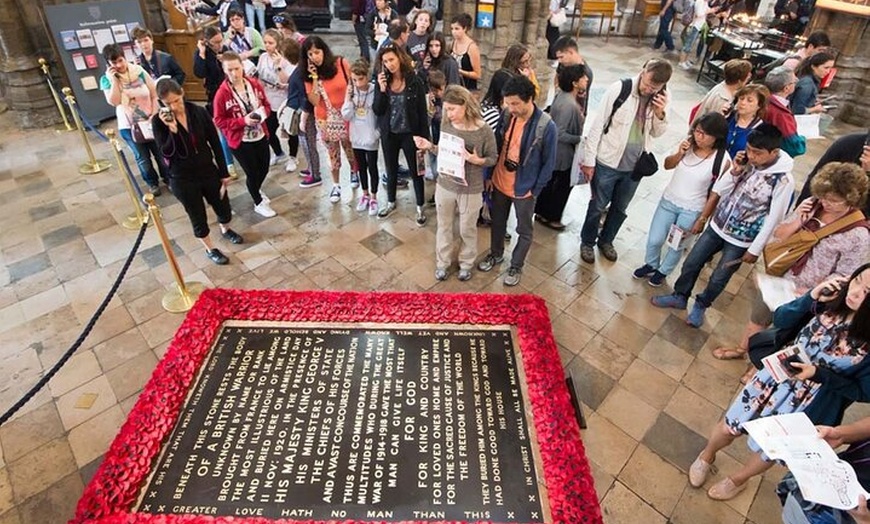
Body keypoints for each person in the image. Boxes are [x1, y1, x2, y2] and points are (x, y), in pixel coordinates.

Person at [686, 267, 870, 502]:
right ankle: (706, 456)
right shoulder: (831, 299)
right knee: (730, 424)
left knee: (770, 451)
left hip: (811, 401)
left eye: (866, 291)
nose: (854, 292)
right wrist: (811, 296)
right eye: (857, 281)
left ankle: (738, 481)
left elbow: (863, 391)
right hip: (775, 377)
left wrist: (819, 374)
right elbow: (781, 318)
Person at [711, 162, 869, 363]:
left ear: (851, 199)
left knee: (782, 332)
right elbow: (779, 234)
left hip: (810, 293)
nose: (826, 203)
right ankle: (743, 349)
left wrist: (811, 293)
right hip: (781, 278)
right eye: (824, 196)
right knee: (759, 316)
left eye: (833, 200)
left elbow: (846, 275)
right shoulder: (814, 204)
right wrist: (799, 221)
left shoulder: (858, 234)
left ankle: (758, 365)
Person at [651, 124, 795, 328]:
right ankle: (680, 295)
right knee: (692, 262)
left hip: (742, 238)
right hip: (718, 225)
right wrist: (735, 172)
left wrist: (754, 249)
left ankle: (702, 304)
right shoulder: (747, 162)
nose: (752, 156)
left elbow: (774, 218)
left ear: (774, 152)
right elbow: (720, 189)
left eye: (758, 153)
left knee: (719, 276)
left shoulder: (782, 180)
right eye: (750, 150)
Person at [579, 59, 672, 263]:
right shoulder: (620, 89)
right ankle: (587, 242)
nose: (647, 89)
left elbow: (657, 133)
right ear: (643, 71)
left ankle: (607, 240)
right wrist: (589, 160)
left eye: (653, 87)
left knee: (620, 208)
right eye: (646, 83)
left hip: (635, 166)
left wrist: (659, 113)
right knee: (597, 206)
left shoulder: (662, 98)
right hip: (607, 161)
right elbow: (597, 125)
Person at [152, 79, 244, 265]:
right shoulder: (158, 122)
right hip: (182, 177)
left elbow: (215, 143)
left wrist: (224, 172)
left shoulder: (198, 112)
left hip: (207, 170)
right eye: (168, 103)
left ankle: (225, 229)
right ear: (161, 102)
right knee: (197, 214)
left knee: (223, 206)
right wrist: (172, 130)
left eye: (177, 100)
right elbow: (165, 152)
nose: (174, 106)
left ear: (182, 94)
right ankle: (210, 248)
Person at [477, 76, 557, 287]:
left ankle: (516, 265)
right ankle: (496, 254)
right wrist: (489, 175)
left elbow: (549, 164)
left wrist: (535, 189)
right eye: (508, 103)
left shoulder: (546, 127)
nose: (510, 107)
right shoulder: (507, 115)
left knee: (524, 229)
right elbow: (496, 145)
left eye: (515, 103)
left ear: (529, 99)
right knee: (498, 222)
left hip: (525, 188)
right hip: (500, 180)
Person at [634, 112, 731, 287]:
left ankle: (663, 271)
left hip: (692, 208)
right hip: (669, 200)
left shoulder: (722, 159)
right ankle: (651, 264)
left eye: (705, 134)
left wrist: (702, 218)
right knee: (655, 238)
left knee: (676, 244)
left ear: (716, 137)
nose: (699, 136)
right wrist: (680, 153)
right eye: (697, 131)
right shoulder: (687, 145)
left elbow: (716, 194)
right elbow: (667, 165)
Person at [414, 85, 497, 281]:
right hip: (446, 184)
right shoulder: (447, 123)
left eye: (452, 109)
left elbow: (493, 157)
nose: (448, 114)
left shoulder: (483, 130)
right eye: (446, 109)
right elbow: (444, 151)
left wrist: (478, 161)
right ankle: (442, 262)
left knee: (466, 228)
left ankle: (466, 263)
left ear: (465, 105)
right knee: (444, 226)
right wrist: (430, 147)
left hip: (471, 188)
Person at [212, 51, 275, 218]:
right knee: (252, 172)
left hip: (260, 134)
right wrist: (242, 121)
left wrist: (262, 114)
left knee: (264, 167)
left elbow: (267, 105)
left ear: (242, 67)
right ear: (224, 70)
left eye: (237, 69)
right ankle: (258, 201)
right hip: (240, 140)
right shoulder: (222, 94)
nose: (234, 73)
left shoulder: (254, 84)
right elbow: (219, 120)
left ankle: (256, 189)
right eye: (230, 70)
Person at [99, 43, 168, 195]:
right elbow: (114, 101)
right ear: (108, 64)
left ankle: (168, 178)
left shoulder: (139, 71)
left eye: (120, 60)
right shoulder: (106, 80)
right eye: (114, 63)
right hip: (129, 124)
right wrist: (115, 81)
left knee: (160, 152)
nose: (119, 65)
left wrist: (153, 114)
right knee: (142, 157)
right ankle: (152, 183)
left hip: (150, 118)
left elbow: (153, 93)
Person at [373, 44, 430, 222]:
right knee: (391, 169)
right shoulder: (382, 81)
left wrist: (424, 139)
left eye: (391, 59)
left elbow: (422, 111)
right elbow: (377, 109)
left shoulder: (414, 80)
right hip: (390, 133)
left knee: (416, 171)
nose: (389, 64)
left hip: (410, 133)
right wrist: (382, 90)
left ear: (399, 58)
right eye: (385, 61)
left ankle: (420, 206)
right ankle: (390, 201)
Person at [301, 36, 358, 203]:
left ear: (324, 51)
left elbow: (352, 85)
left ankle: (355, 172)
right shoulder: (309, 75)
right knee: (332, 152)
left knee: (350, 148)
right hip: (324, 118)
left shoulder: (340, 63)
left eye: (317, 52)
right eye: (310, 54)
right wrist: (315, 78)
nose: (314, 57)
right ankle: (336, 184)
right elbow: (313, 101)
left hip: (345, 114)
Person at [534, 64, 587, 230]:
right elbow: (560, 132)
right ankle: (551, 216)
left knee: (551, 183)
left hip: (558, 152)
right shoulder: (569, 105)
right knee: (561, 187)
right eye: (583, 77)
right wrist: (580, 139)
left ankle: (542, 212)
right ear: (575, 83)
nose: (586, 80)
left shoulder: (562, 96)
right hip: (563, 153)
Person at [193, 25, 237, 178]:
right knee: (223, 130)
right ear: (206, 42)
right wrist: (203, 53)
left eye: (220, 41)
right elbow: (200, 72)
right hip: (215, 95)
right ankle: (228, 162)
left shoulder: (224, 50)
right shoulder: (202, 54)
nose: (219, 45)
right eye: (215, 42)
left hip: (231, 92)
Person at [341, 58, 381, 217]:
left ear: (367, 76)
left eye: (361, 79)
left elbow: (380, 111)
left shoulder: (374, 90)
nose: (358, 83)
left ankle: (374, 197)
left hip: (371, 137)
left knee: (373, 168)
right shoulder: (351, 91)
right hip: (356, 137)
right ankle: (364, 194)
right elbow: (346, 115)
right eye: (354, 80)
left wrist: (376, 133)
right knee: (361, 168)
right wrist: (348, 98)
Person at [798, 131, 870, 215]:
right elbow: (814, 180)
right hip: (818, 215)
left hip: (856, 221)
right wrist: (801, 213)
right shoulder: (848, 143)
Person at [256, 28, 292, 166]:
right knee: (269, 130)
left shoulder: (285, 59)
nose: (267, 45)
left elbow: (286, 81)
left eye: (270, 42)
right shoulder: (262, 57)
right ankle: (278, 153)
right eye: (265, 42)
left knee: (288, 130)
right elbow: (259, 76)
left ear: (278, 43)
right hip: (268, 98)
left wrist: (278, 66)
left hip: (282, 99)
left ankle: (293, 157)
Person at [691, 58, 752, 124]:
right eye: (747, 79)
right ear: (739, 81)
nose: (749, 77)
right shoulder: (723, 100)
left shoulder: (722, 86)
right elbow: (715, 125)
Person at [762, 65, 806, 158]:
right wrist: (803, 138)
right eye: (794, 82)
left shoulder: (761, 100)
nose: (796, 82)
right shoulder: (781, 114)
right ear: (786, 88)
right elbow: (796, 147)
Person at [551, 36, 594, 114]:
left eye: (561, 57)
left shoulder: (584, 74)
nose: (559, 61)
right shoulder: (563, 64)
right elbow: (557, 77)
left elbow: (581, 101)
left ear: (571, 52)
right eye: (558, 58)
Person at [725, 84, 769, 159]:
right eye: (741, 98)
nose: (743, 103)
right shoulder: (729, 116)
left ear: (759, 105)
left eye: (750, 101)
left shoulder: (760, 129)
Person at [790, 51, 835, 116]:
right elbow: (797, 110)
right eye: (826, 68)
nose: (828, 72)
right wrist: (815, 109)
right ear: (813, 66)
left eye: (830, 68)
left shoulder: (807, 79)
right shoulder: (807, 83)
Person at [449, 13, 481, 93]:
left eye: (457, 29)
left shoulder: (472, 47)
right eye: (452, 29)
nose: (454, 32)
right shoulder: (453, 43)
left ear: (465, 28)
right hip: (454, 86)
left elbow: (477, 74)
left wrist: (460, 71)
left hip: (467, 88)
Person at [678, 0, 709, 70]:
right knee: (687, 44)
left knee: (690, 45)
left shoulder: (705, 2)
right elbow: (699, 14)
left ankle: (685, 60)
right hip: (694, 25)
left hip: (699, 26)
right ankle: (681, 61)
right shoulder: (699, 2)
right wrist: (709, 11)